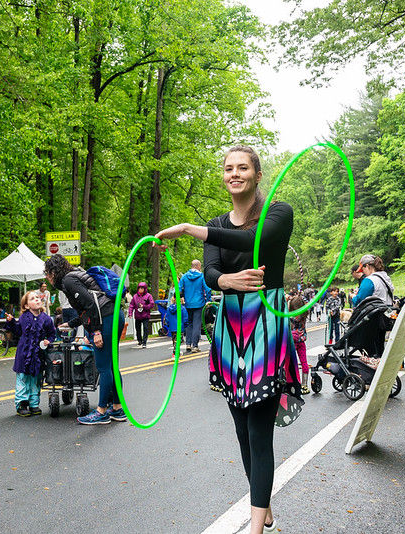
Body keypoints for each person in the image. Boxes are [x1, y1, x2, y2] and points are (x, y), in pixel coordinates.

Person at [155, 145, 301, 534]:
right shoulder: (217, 222)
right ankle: (262, 502)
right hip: (229, 328)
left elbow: (253, 240)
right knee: (240, 429)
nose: (234, 174)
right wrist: (225, 281)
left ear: (256, 174)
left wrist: (187, 228)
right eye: (228, 168)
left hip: (267, 323)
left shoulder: (279, 212)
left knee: (258, 429)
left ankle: (254, 528)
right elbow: (210, 271)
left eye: (242, 168)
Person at [44, 253, 128, 425]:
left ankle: (101, 411)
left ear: (54, 271)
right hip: (114, 315)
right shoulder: (75, 275)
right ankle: (117, 409)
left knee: (104, 367)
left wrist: (96, 331)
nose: (47, 277)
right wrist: (72, 323)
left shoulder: (68, 280)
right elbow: (87, 309)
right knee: (112, 365)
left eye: (48, 272)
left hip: (106, 318)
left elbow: (91, 304)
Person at [4, 291, 56, 416]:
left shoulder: (47, 319)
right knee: (22, 378)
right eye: (33, 298)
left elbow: (52, 334)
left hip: (38, 354)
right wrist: (11, 322)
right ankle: (22, 403)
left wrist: (48, 341)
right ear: (26, 306)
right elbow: (17, 331)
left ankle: (34, 404)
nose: (37, 299)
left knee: (36, 379)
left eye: (38, 297)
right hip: (24, 353)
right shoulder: (23, 317)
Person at [179, 260, 213, 352]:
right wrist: (208, 300)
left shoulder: (185, 276)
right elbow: (208, 289)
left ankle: (188, 344)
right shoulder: (201, 276)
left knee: (189, 323)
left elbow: (179, 289)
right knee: (197, 324)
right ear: (198, 266)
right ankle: (195, 346)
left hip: (188, 303)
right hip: (199, 303)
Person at [288, 296, 309, 394]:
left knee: (292, 363)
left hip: (292, 342)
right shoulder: (305, 313)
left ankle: (294, 384)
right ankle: (305, 386)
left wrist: (289, 299)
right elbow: (308, 302)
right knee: (304, 362)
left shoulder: (290, 315)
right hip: (301, 342)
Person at [129, 281, 155, 348]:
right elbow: (131, 305)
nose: (141, 290)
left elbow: (151, 304)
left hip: (145, 315)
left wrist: (144, 306)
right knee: (138, 329)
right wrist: (130, 313)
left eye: (142, 288)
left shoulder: (148, 296)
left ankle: (144, 341)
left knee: (145, 328)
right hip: (137, 315)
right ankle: (139, 340)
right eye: (139, 288)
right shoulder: (135, 297)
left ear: (145, 289)